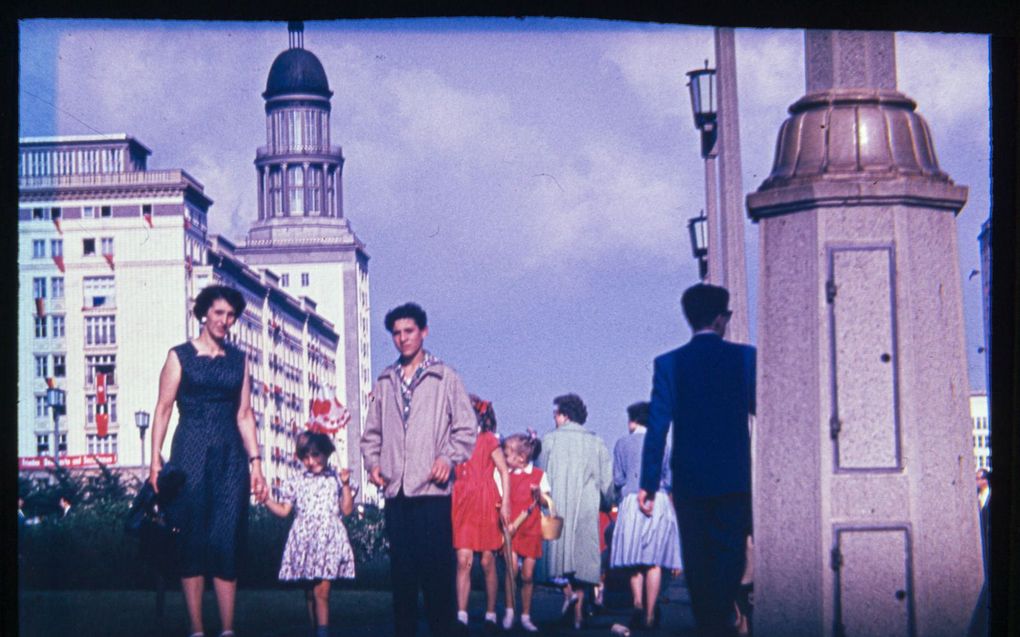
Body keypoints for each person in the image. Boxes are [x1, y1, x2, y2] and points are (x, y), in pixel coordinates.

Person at [149, 284, 268, 637]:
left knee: (226, 537)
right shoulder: (179, 356)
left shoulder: (239, 360)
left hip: (231, 458)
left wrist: (257, 463)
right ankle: (197, 629)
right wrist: (155, 461)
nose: (225, 320)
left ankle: (227, 630)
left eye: (230, 315)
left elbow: (245, 414)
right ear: (204, 313)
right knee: (193, 539)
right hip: (190, 455)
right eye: (218, 313)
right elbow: (164, 408)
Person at [639, 283, 755, 637]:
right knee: (729, 558)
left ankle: (709, 623)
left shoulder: (669, 364)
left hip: (689, 481)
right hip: (734, 476)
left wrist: (648, 483)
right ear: (721, 319)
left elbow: (657, 428)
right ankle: (724, 618)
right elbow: (763, 409)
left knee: (698, 562)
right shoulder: (745, 358)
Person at [359, 302, 477, 637]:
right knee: (403, 581)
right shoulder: (385, 381)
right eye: (396, 333)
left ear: (423, 332)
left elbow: (467, 428)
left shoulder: (445, 377)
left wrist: (448, 458)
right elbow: (372, 434)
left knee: (438, 578)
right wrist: (374, 464)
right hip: (397, 493)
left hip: (432, 493)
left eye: (409, 331)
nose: (402, 339)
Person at [263, 431, 356, 637]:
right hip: (305, 540)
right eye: (305, 457)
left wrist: (346, 484)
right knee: (310, 594)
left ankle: (323, 634)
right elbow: (285, 510)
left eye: (315, 455)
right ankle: (316, 631)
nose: (311, 461)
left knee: (321, 592)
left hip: (328, 539)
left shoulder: (336, 478)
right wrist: (267, 500)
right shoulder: (297, 481)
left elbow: (347, 510)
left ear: (326, 453)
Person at [537, 393, 614, 630]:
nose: (554, 419)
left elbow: (541, 475)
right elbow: (607, 483)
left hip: (557, 506)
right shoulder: (596, 442)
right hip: (586, 505)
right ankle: (579, 614)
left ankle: (568, 598)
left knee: (559, 559)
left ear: (564, 415)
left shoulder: (548, 441)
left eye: (555, 415)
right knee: (582, 561)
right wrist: (607, 502)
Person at [611, 401, 682, 631]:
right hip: (657, 499)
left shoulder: (622, 444)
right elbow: (668, 478)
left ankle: (638, 603)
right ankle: (651, 614)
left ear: (633, 420)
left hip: (631, 501)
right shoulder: (661, 444)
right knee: (653, 563)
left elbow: (619, 479)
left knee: (634, 562)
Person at [451, 396, 511, 633]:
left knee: (487, 561)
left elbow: (504, 471)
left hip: (486, 500)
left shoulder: (487, 440)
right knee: (463, 561)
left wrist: (505, 503)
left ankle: (490, 612)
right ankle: (461, 614)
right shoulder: (454, 440)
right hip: (463, 502)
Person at [501, 431, 551, 633]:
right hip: (511, 530)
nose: (504, 458)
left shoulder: (539, 475)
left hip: (531, 531)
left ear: (521, 457)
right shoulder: (507, 476)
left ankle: (526, 615)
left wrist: (539, 494)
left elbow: (547, 503)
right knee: (511, 571)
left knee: (528, 575)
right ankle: (510, 611)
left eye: (507, 454)